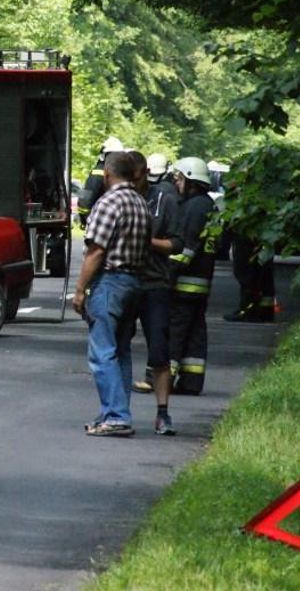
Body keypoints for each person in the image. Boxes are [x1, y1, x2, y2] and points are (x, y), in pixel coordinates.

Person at [73, 150, 150, 437]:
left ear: (107, 174)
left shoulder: (109, 202)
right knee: (122, 351)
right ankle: (115, 412)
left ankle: (116, 416)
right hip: (134, 283)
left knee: (102, 352)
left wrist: (80, 290)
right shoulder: (140, 203)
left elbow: (96, 251)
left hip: (110, 283)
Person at [126, 151, 183, 435]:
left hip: (155, 283)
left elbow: (177, 244)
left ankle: (163, 414)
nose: (132, 182)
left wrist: (147, 242)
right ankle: (117, 411)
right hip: (123, 281)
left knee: (159, 349)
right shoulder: (118, 197)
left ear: (145, 172)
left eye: (135, 176)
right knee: (116, 347)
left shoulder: (165, 200)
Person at [167, 157, 219, 395]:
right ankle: (191, 381)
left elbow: (184, 250)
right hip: (201, 283)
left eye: (178, 179)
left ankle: (163, 379)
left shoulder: (193, 207)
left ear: (189, 179)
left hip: (185, 285)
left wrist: (165, 274)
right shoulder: (208, 205)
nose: (176, 184)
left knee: (174, 332)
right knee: (195, 333)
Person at [224, 230, 276, 322]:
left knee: (247, 272)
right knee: (264, 272)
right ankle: (265, 312)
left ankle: (249, 311)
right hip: (265, 232)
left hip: (246, 232)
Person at [76, 136, 124, 229]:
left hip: (100, 222)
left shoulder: (98, 172)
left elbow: (84, 199)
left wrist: (84, 218)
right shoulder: (119, 173)